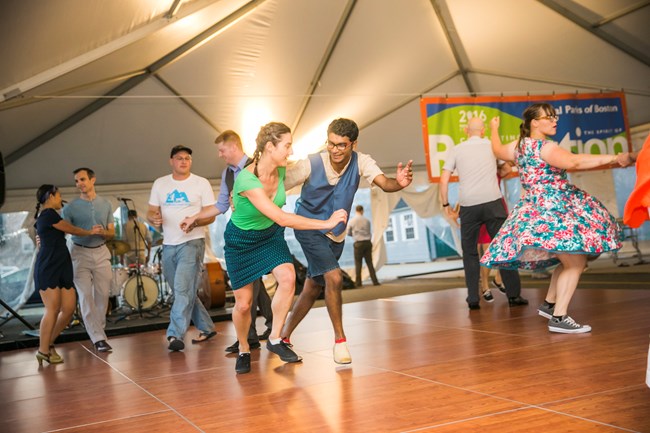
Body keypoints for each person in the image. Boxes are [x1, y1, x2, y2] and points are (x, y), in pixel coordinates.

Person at [482, 103, 627, 333]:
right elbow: (574, 162)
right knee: (576, 262)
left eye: (555, 117)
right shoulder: (544, 148)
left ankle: (550, 305)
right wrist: (616, 157)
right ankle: (559, 317)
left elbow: (497, 150)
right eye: (548, 118)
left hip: (535, 208)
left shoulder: (519, 146)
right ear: (534, 123)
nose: (554, 121)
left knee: (572, 258)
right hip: (554, 208)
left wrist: (493, 128)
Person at [282, 118, 413, 365]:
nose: (335, 150)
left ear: (353, 143)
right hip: (309, 228)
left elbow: (385, 183)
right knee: (334, 278)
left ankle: (283, 336)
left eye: (342, 145)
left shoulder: (361, 161)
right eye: (331, 144)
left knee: (313, 286)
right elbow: (279, 184)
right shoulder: (311, 163)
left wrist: (400, 184)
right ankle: (340, 342)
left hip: (336, 234)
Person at [221, 122, 346, 374]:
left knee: (288, 277)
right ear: (269, 147)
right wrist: (327, 222)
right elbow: (283, 218)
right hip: (241, 242)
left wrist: (337, 149)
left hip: (270, 236)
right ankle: (244, 347)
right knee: (244, 304)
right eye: (286, 145)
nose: (290, 151)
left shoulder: (280, 171)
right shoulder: (246, 179)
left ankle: (276, 338)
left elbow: (315, 163)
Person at [180, 130, 273, 354]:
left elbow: (270, 197)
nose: (220, 155)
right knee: (251, 283)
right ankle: (260, 331)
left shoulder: (258, 166)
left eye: (222, 150)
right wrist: (195, 217)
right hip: (242, 232)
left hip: (263, 231)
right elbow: (221, 206)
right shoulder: (227, 174)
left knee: (249, 283)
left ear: (233, 147)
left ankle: (256, 335)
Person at [439, 117, 528, 310]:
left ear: (465, 131)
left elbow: (444, 179)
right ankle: (514, 295)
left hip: (468, 205)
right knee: (504, 248)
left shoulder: (456, 149)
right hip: (493, 203)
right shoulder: (491, 146)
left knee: (470, 253)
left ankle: (473, 298)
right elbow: (507, 167)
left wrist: (446, 204)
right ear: (484, 130)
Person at [147, 145, 217, 352]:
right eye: (179, 158)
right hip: (168, 244)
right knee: (183, 291)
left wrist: (196, 222)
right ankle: (206, 326)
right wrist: (154, 218)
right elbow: (150, 212)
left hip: (192, 243)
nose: (184, 161)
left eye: (187, 158)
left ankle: (174, 334)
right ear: (171, 161)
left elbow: (211, 214)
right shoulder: (160, 184)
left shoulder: (200, 183)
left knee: (182, 290)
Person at [33, 185, 104, 365]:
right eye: (59, 196)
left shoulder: (49, 216)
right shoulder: (48, 214)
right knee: (53, 308)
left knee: (69, 309)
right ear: (50, 196)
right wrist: (91, 232)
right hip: (48, 266)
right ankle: (43, 350)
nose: (60, 199)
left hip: (62, 265)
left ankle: (47, 344)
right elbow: (72, 230)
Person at [62, 168, 116, 352]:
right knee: (85, 296)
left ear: (93, 180)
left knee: (102, 295)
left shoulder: (106, 204)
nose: (79, 184)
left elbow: (112, 233)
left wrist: (104, 233)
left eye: (83, 179)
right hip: (79, 253)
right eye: (76, 181)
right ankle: (98, 338)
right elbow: (65, 230)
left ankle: (98, 331)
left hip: (101, 251)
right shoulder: (69, 208)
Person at [347, 205, 380, 287]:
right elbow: (369, 232)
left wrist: (354, 235)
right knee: (369, 263)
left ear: (356, 210)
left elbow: (348, 232)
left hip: (358, 243)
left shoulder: (352, 221)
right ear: (362, 211)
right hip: (367, 243)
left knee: (358, 263)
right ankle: (375, 281)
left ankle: (358, 283)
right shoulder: (367, 220)